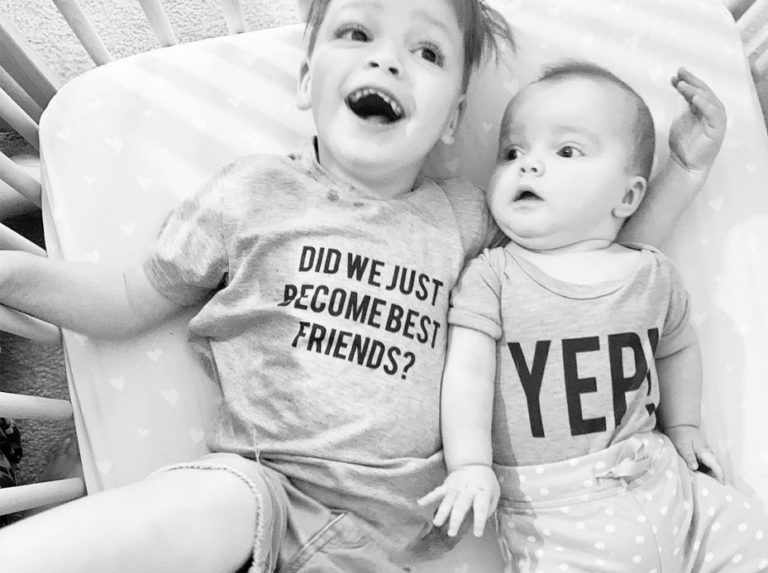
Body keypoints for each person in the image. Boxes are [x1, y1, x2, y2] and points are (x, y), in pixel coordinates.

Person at [0, 0, 730, 570]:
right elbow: (128, 297)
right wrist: (15, 273)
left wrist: (685, 172)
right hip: (268, 487)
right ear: (306, 81)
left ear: (453, 120)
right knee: (182, 514)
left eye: (427, 52)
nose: (388, 60)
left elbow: (592, 256)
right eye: (356, 34)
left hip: (388, 544)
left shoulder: (465, 216)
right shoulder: (253, 191)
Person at [418, 62, 768, 572]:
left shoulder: (650, 272)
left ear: (628, 197)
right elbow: (468, 373)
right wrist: (469, 464)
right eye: (512, 152)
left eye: (565, 151)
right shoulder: (493, 276)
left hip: (669, 488)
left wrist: (685, 424)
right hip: (556, 519)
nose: (527, 166)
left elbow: (677, 346)